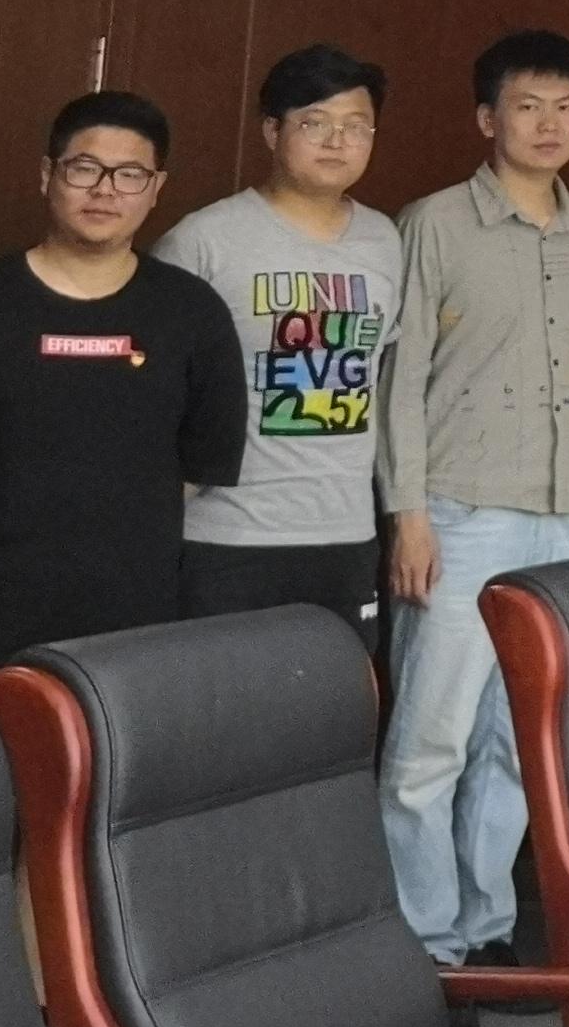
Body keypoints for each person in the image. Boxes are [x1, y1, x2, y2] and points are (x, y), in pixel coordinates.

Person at [378, 28, 569, 969]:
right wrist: (409, 513)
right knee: (429, 740)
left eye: (566, 107)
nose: (550, 124)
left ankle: (487, 928)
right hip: (460, 513)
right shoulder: (433, 223)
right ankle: (428, 944)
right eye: (528, 106)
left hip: (564, 517)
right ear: (487, 119)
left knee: (518, 741)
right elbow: (400, 380)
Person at [0, 91, 249, 677]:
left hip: (130, 614)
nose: (105, 190)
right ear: (47, 175)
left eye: (129, 175)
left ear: (156, 188)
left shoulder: (191, 312)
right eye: (85, 168)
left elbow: (205, 460)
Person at [157, 43, 403, 628]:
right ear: (272, 131)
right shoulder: (203, 241)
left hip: (346, 534)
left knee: (337, 687)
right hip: (227, 537)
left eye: (356, 126)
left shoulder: (385, 240)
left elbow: (381, 379)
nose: (337, 141)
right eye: (314, 123)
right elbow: (158, 396)